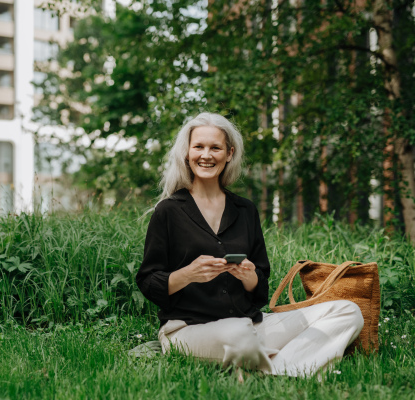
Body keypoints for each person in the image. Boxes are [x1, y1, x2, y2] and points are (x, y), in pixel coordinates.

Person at [136, 112, 364, 377]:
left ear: (229, 153)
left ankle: (278, 367)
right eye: (198, 146)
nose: (206, 155)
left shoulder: (245, 210)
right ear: (187, 153)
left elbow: (260, 288)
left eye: (215, 148)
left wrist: (249, 277)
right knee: (237, 334)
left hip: (250, 324)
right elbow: (148, 281)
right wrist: (187, 275)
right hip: (188, 330)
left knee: (348, 311)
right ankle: (295, 362)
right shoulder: (169, 211)